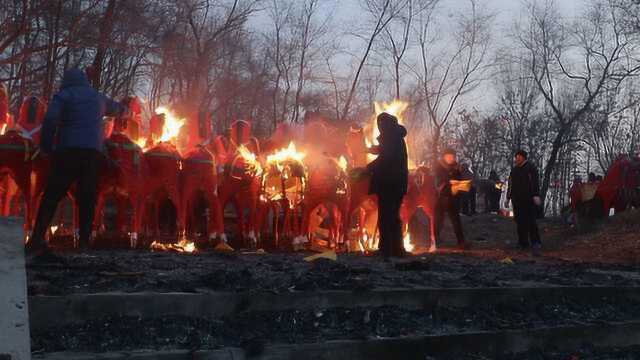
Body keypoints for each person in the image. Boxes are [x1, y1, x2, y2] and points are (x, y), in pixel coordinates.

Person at [26, 68, 127, 257]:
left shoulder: (64, 95)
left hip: (67, 151)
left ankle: (37, 238)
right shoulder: (98, 98)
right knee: (87, 197)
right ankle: (83, 243)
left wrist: (47, 147)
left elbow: (50, 120)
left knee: (52, 194)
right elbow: (119, 109)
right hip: (92, 154)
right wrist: (125, 110)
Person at [367, 112, 408, 259]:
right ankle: (398, 249)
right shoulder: (396, 136)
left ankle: (385, 250)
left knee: (386, 217)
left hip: (389, 184)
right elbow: (387, 151)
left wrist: (366, 169)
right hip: (399, 184)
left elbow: (385, 159)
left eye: (380, 124)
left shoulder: (390, 136)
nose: (379, 127)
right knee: (394, 217)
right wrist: (374, 149)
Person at [505, 150, 542, 255]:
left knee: (531, 221)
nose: (516, 159)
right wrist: (508, 198)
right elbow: (510, 185)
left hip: (529, 199)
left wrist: (535, 195)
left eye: (519, 157)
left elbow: (534, 182)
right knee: (519, 222)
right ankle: (522, 242)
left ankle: (536, 242)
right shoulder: (514, 170)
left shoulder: (531, 168)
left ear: (523, 158)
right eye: (516, 157)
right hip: (517, 200)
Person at [434, 149, 467, 249]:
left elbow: (460, 179)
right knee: (439, 220)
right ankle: (435, 240)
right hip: (441, 198)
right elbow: (438, 182)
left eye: (453, 156)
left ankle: (461, 242)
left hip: (453, 198)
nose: (451, 158)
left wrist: (460, 185)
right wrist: (448, 181)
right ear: (444, 157)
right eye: (449, 156)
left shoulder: (457, 168)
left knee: (456, 220)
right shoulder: (439, 167)